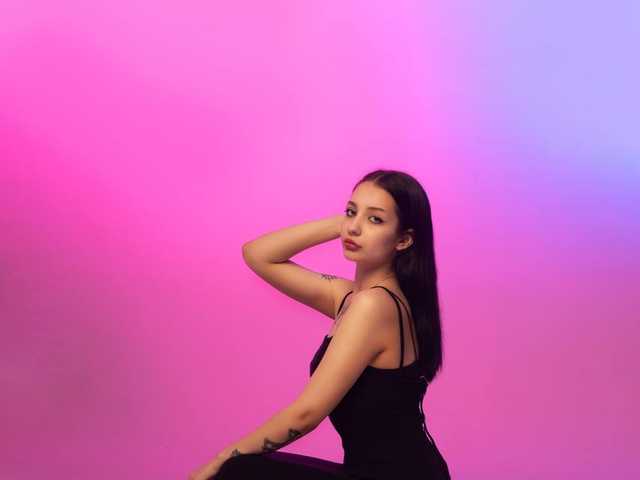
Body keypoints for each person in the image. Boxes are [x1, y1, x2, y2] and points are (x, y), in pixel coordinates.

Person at [196, 169, 451, 480]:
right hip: (373, 472)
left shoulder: (374, 306)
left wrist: (220, 460)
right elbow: (257, 254)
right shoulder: (351, 297)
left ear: (404, 240)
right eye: (351, 212)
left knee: (237, 471)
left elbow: (306, 415)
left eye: (375, 219)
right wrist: (343, 224)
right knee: (241, 469)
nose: (354, 227)